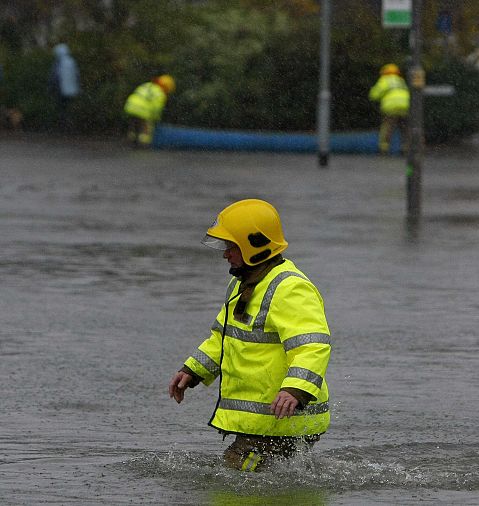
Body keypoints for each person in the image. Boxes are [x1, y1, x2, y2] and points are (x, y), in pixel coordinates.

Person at [168, 199, 332, 472]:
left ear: (254, 245)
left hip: (282, 416)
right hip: (269, 420)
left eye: (231, 247)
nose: (225, 255)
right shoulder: (243, 283)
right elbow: (223, 337)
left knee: (236, 477)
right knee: (261, 481)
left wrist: (295, 390)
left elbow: (313, 345)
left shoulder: (290, 288)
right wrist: (193, 370)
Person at [123, 74, 175, 147]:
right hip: (143, 110)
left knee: (134, 125)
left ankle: (131, 141)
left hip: (130, 106)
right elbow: (157, 109)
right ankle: (143, 144)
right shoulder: (160, 93)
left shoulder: (147, 85)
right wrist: (156, 119)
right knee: (145, 128)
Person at [369, 63, 410, 155]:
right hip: (405, 106)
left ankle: (384, 149)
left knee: (387, 127)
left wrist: (373, 97)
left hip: (391, 107)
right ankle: (405, 149)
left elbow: (374, 94)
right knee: (404, 128)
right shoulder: (401, 80)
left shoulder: (384, 80)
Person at [49, 43, 80, 131]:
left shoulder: (58, 63)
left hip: (61, 90)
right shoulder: (72, 61)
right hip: (72, 90)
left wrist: (51, 88)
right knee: (69, 107)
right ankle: (70, 124)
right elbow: (77, 75)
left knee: (61, 108)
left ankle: (63, 125)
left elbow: (54, 77)